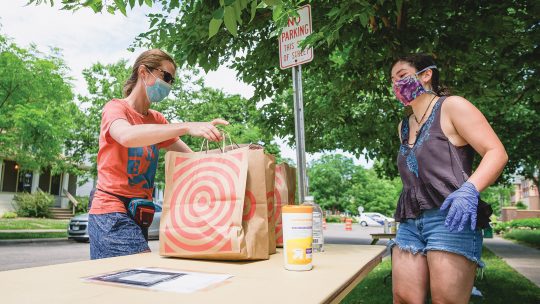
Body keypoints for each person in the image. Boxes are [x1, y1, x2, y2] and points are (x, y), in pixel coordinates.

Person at [389, 53, 508, 304]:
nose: (395, 85)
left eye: (401, 76)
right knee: (403, 299)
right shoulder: (404, 126)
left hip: (450, 216)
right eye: (391, 80)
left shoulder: (452, 106)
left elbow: (496, 152)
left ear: (426, 74)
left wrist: (470, 190)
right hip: (411, 221)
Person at [88, 49, 228, 260]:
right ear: (144, 72)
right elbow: (126, 136)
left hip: (140, 213)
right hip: (110, 210)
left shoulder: (157, 119)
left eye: (172, 81)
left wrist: (235, 155)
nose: (169, 85)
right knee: (140, 273)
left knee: (125, 285)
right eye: (166, 77)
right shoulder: (115, 108)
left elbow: (192, 159)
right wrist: (187, 126)